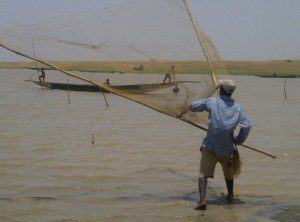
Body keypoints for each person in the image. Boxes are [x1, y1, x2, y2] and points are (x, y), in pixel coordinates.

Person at [189, 79, 252, 210]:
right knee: (229, 175)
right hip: (227, 148)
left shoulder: (212, 101)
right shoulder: (237, 108)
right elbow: (247, 125)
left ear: (221, 90)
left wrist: (207, 99)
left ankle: (202, 201)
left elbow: (192, 106)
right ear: (231, 92)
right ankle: (230, 197)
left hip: (210, 146)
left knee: (203, 174)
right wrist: (238, 140)